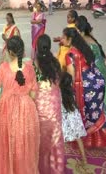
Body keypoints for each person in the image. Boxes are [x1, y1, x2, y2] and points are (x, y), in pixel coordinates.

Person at [0, 36, 39, 174]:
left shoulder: (4, 68)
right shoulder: (29, 68)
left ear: (9, 52)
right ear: (23, 51)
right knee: (23, 143)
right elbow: (34, 94)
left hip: (6, 109)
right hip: (25, 109)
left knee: (6, 143)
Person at [62, 28, 106, 148]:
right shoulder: (84, 48)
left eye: (63, 37)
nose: (61, 39)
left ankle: (87, 140)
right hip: (97, 84)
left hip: (85, 88)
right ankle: (100, 140)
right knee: (95, 113)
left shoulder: (70, 54)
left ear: (70, 39)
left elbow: (71, 76)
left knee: (83, 113)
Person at [76, 16, 106, 127]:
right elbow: (102, 58)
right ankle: (103, 118)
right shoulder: (91, 37)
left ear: (81, 31)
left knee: (95, 97)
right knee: (99, 96)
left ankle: (105, 120)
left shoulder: (85, 42)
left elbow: (85, 60)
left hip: (98, 71)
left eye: (77, 30)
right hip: (102, 69)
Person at [33, 34, 64, 174]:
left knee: (41, 140)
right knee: (55, 138)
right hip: (54, 105)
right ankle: (56, 168)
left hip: (39, 106)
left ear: (37, 47)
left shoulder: (34, 64)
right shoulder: (56, 63)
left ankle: (41, 169)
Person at [60, 72, 87, 165]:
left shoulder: (58, 93)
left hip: (64, 121)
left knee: (60, 140)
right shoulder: (72, 93)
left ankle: (58, 160)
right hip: (75, 120)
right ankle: (84, 159)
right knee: (78, 138)